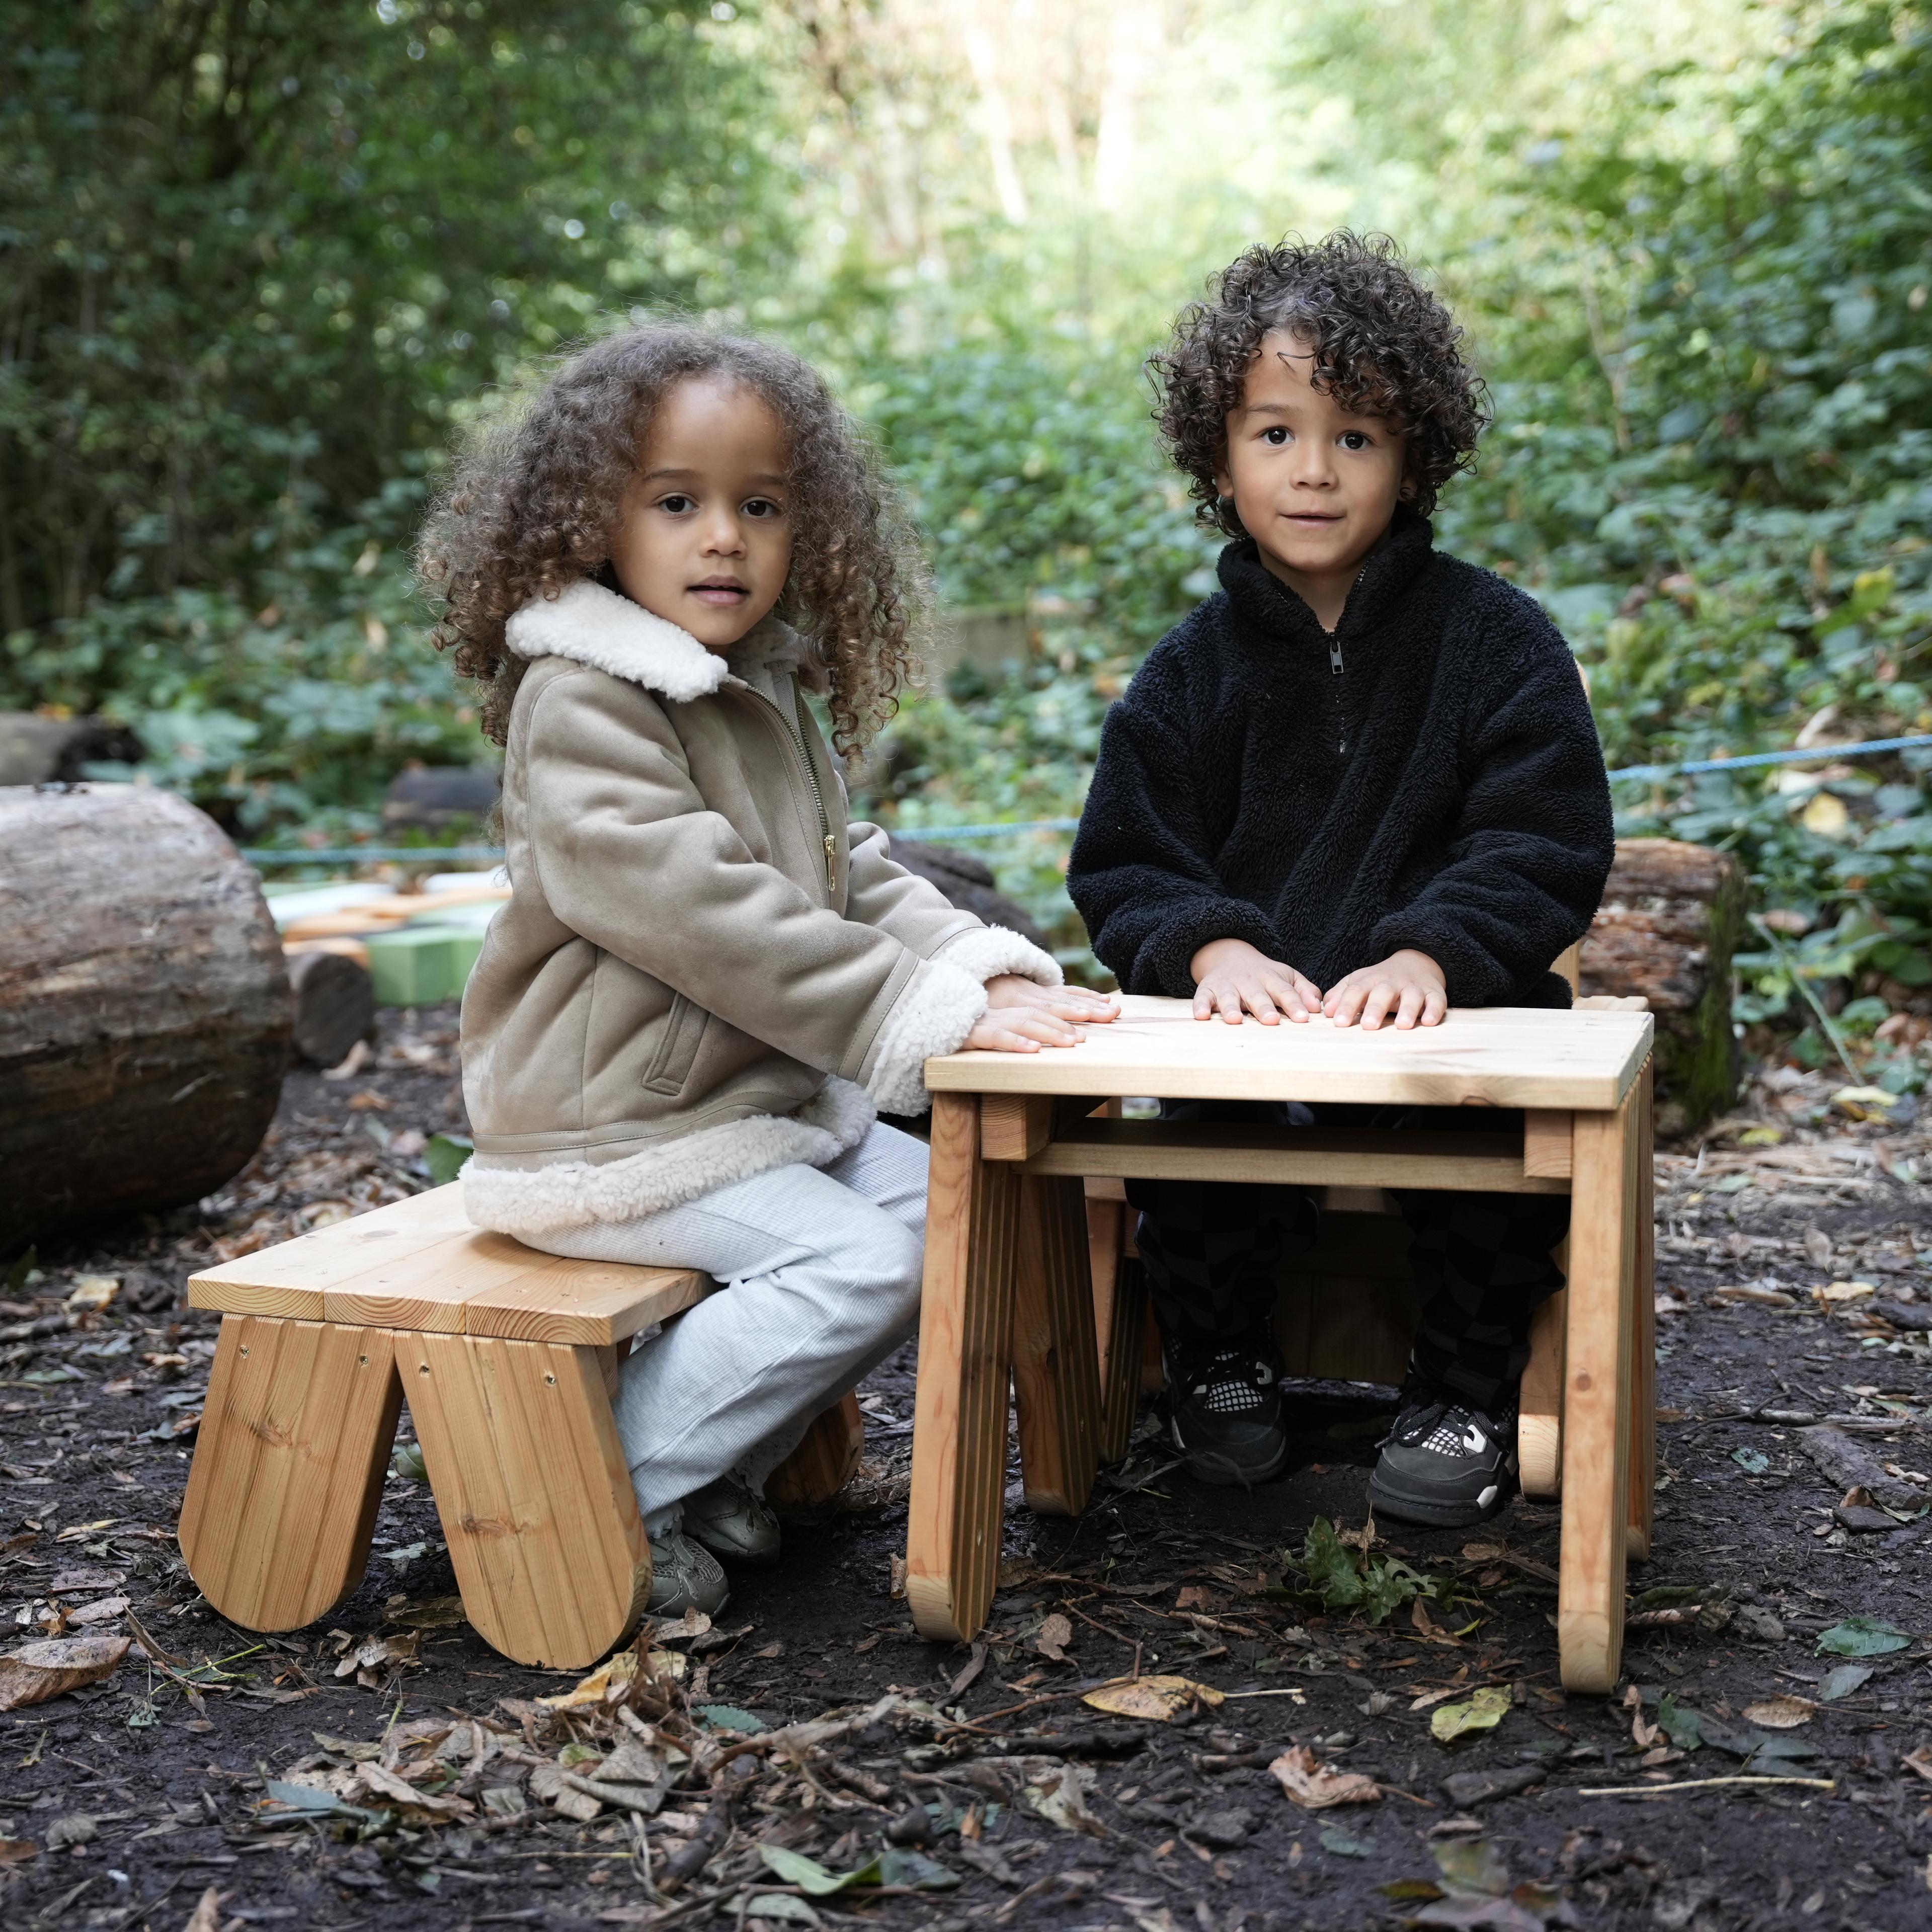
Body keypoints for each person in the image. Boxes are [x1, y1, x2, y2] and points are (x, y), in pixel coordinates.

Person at [419, 325, 1116, 1612]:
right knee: (859, 1265)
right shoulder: (584, 700)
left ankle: (706, 1451)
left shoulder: (759, 686)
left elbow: (834, 869)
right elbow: (705, 909)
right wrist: (900, 1011)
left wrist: (978, 969)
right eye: (677, 503)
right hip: (610, 1130)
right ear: (593, 525)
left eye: (760, 505)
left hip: (736, 1110)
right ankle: (609, 1485)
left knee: (944, 1205)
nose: (723, 537)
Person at [1066, 234, 1614, 1527]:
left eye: (1357, 437)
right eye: (1275, 433)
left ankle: (1463, 1386)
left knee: (1490, 1124)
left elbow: (1544, 842)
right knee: (1187, 1128)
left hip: (1451, 1018)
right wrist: (1212, 951)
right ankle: (1221, 1354)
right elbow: (1127, 860)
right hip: (1254, 1033)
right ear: (1219, 457)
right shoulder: (1186, 671)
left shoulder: (1497, 642)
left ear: (1415, 456)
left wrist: (1433, 955)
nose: (1314, 470)